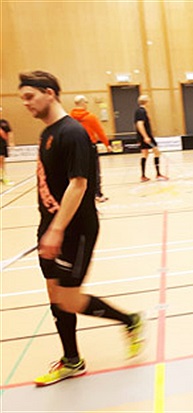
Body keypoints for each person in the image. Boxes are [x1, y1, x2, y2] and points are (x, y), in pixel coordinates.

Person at [18, 71, 145, 387]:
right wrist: (47, 228)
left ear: (49, 93)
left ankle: (129, 320)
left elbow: (78, 184)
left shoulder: (72, 132)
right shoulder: (48, 133)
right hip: (50, 226)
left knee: (69, 300)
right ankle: (72, 360)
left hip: (75, 230)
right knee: (54, 293)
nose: (25, 103)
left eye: (30, 96)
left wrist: (57, 230)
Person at [70, 95, 111, 202]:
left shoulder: (70, 117)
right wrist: (107, 144)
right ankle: (97, 193)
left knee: (78, 172)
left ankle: (81, 195)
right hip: (89, 146)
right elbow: (99, 131)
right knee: (94, 171)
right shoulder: (90, 117)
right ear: (83, 103)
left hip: (75, 147)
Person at [135, 95, 168, 182]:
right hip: (146, 136)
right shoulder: (141, 111)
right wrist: (145, 136)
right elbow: (139, 124)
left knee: (145, 154)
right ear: (146, 102)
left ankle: (143, 176)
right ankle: (158, 174)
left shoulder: (140, 111)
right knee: (156, 152)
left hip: (142, 136)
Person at [0, 106, 14, 185]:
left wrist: (11, 142)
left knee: (2, 161)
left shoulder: (4, 122)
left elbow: (9, 132)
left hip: (2, 145)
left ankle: (3, 177)